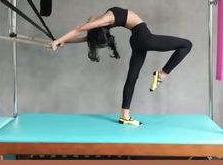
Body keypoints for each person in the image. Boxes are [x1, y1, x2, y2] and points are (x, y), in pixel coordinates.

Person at [51, 7, 192, 126]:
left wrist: (65, 42)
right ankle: (162, 74)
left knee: (132, 78)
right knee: (187, 44)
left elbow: (86, 37)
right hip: (144, 38)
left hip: (137, 40)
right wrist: (59, 40)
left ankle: (125, 115)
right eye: (90, 25)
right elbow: (78, 30)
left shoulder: (105, 20)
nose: (87, 22)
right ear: (96, 25)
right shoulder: (104, 20)